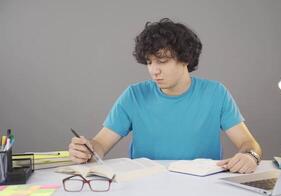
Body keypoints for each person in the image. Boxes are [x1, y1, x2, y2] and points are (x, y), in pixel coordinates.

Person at [69, 18, 262, 174]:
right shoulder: (134, 95)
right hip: (146, 186)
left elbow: (249, 144)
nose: (154, 71)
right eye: (149, 62)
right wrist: (87, 151)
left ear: (185, 59)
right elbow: (100, 145)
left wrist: (250, 156)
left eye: (162, 61)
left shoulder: (216, 93)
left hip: (203, 188)